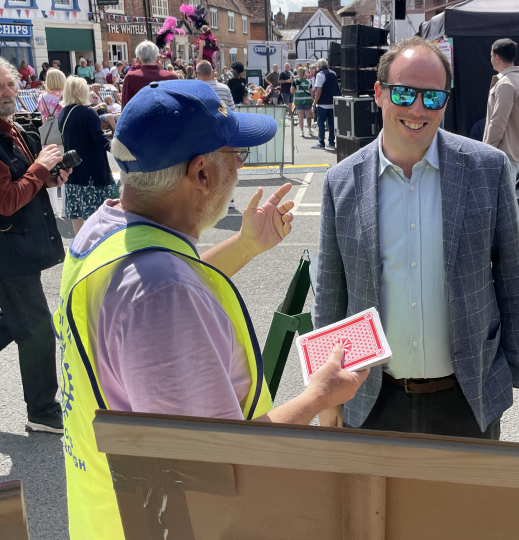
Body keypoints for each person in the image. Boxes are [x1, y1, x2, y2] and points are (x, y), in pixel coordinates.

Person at [56, 79, 368, 540]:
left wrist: (244, 245)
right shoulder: (163, 295)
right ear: (201, 174)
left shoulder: (104, 230)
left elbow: (165, 275)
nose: (239, 172)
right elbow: (223, 460)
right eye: (236, 157)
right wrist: (320, 394)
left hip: (102, 513)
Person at [315, 36, 519, 438]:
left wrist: (511, 372)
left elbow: (511, 278)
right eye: (404, 93)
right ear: (379, 94)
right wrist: (326, 396)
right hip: (373, 398)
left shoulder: (487, 169)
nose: (417, 109)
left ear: (445, 103)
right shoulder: (340, 181)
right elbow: (331, 295)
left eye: (432, 98)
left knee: (466, 503)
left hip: (467, 397)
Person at [0, 58, 70, 434]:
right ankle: (42, 411)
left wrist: (53, 175)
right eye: (1, 89)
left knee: (17, 321)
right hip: (8, 252)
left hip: (16, 248)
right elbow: (7, 200)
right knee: (37, 327)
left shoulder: (13, 130)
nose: (10, 93)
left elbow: (32, 182)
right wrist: (41, 169)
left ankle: (42, 409)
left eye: (10, 84)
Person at [58, 76, 117, 235]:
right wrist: (119, 149)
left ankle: (79, 245)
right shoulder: (88, 112)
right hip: (93, 172)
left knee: (76, 212)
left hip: (74, 170)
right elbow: (99, 139)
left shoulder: (64, 112)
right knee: (98, 215)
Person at [483, 39, 519, 179]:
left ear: (497, 57)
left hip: (502, 151)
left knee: (500, 199)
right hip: (517, 150)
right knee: (505, 197)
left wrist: (486, 148)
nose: (491, 59)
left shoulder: (506, 83)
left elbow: (498, 121)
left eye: (491, 56)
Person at [37, 68, 66, 215]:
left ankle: (53, 209)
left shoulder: (42, 97)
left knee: (49, 173)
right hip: (62, 138)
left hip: (47, 139)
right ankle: (66, 208)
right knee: (66, 171)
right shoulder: (64, 96)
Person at [121, 41, 178, 107]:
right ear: (158, 58)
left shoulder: (130, 78)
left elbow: (126, 109)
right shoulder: (172, 77)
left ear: (138, 60)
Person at [312, 58, 339, 150]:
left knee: (321, 123)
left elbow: (319, 90)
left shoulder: (320, 74)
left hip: (323, 103)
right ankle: (331, 142)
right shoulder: (333, 73)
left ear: (319, 66)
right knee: (331, 124)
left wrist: (315, 102)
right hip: (333, 102)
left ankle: (321, 142)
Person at [294, 66, 313, 137]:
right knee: (308, 116)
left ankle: (301, 131)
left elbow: (291, 91)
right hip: (307, 101)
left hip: (298, 101)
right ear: (304, 73)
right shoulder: (308, 81)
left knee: (300, 117)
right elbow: (311, 92)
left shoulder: (295, 81)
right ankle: (309, 129)